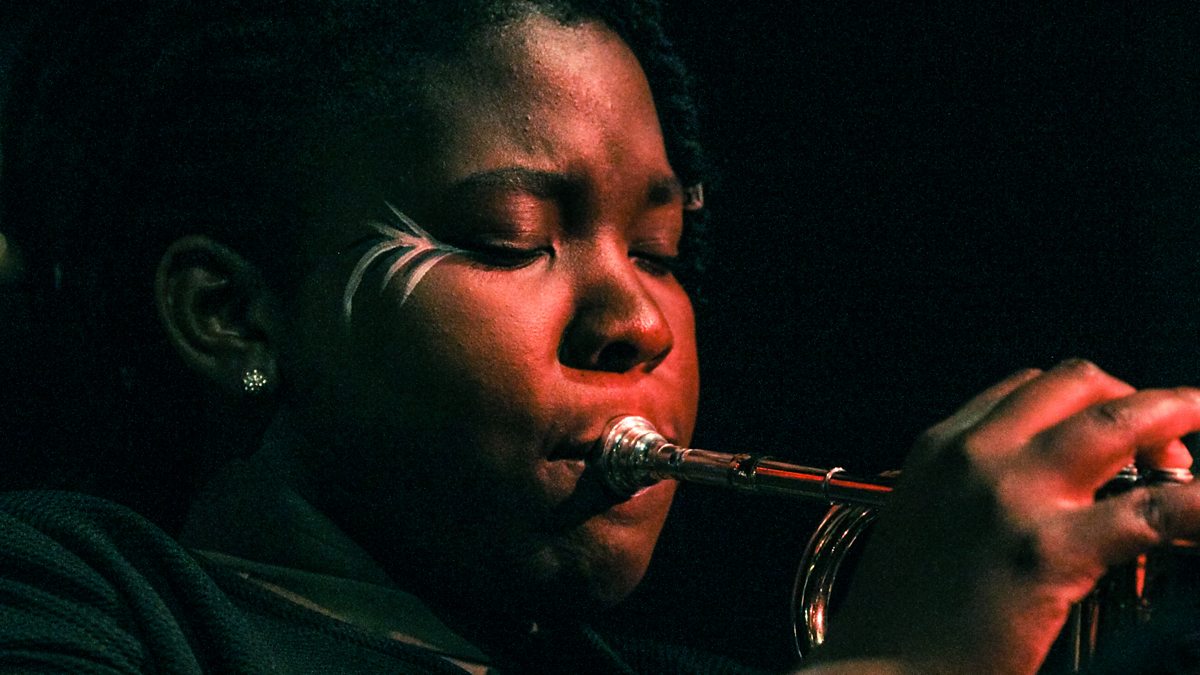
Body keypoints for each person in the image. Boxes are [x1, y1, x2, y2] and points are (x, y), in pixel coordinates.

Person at [3, 1, 1200, 673]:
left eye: (663, 254)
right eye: (513, 239)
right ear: (232, 315)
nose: (635, 321)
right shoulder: (67, 597)